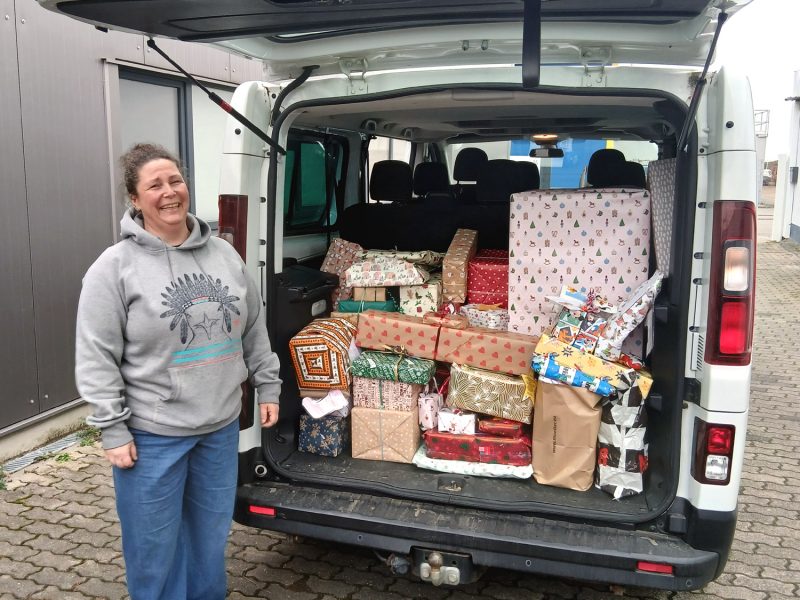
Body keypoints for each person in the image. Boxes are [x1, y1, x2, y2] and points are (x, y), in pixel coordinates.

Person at [75, 143, 281, 600]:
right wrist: (112, 428)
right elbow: (95, 355)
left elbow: (253, 325)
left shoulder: (225, 254)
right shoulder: (114, 269)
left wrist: (267, 384)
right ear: (134, 198)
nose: (169, 192)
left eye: (175, 181)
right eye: (154, 185)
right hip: (153, 434)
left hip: (219, 429)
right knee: (154, 552)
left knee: (209, 545)